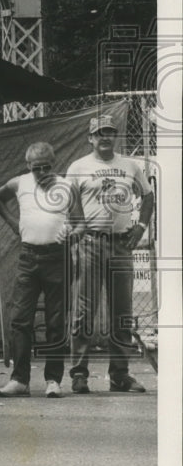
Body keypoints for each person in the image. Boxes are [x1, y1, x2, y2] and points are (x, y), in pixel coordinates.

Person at [66, 114, 154, 394]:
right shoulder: (79, 167)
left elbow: (148, 195)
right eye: (99, 133)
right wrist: (78, 230)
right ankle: (79, 373)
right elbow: (69, 201)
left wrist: (140, 226)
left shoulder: (128, 165)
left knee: (122, 312)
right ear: (90, 138)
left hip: (120, 244)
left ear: (115, 137)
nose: (105, 137)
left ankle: (120, 375)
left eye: (110, 132)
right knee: (84, 311)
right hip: (91, 242)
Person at [0, 142, 76, 398]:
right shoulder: (19, 183)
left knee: (55, 321)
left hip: (58, 257)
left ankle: (53, 379)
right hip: (29, 256)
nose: (42, 172)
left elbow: (80, 220)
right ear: (28, 166)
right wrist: (13, 223)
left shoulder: (66, 186)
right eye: (37, 168)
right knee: (20, 319)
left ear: (54, 164)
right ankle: (20, 379)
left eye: (47, 167)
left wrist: (72, 229)